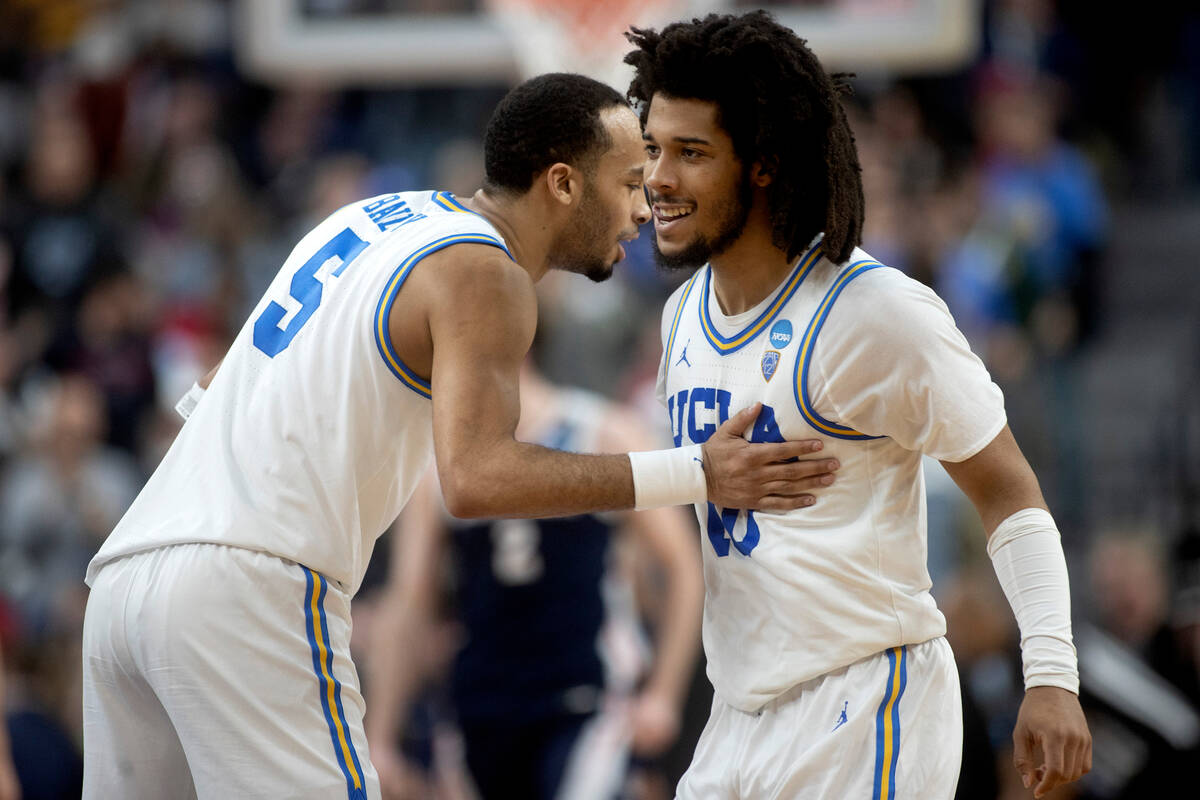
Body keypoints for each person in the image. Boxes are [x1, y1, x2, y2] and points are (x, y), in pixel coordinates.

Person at [79, 72, 839, 800]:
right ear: (563, 182)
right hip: (248, 584)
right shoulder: (487, 269)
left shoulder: (367, 219)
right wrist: (697, 472)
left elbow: (209, 390)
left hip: (127, 577)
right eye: (629, 184)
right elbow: (477, 481)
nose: (643, 211)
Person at [623, 12, 1091, 799]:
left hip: (865, 703)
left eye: (691, 153)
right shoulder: (681, 317)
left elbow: (1008, 487)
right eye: (653, 149)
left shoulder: (875, 312)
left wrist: (1050, 673)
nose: (658, 178)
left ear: (763, 164)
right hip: (736, 714)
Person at [366, 362, 704, 799]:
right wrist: (380, 736)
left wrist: (663, 694)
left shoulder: (600, 431)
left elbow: (683, 567)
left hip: (586, 703)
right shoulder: (439, 464)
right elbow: (409, 602)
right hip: (478, 708)